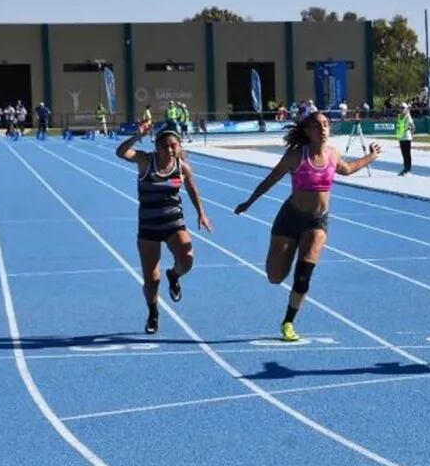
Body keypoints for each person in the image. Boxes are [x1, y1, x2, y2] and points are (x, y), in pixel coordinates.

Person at [234, 112, 382, 342]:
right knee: (275, 276)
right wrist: (249, 202)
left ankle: (288, 322)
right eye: (317, 125)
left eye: (325, 125)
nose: (323, 129)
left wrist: (371, 156)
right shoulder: (296, 156)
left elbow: (348, 169)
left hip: (317, 222)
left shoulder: (333, 155)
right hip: (290, 218)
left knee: (303, 276)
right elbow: (271, 179)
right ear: (307, 131)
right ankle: (288, 254)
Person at [115, 122, 213, 334]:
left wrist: (201, 213)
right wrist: (136, 136)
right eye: (165, 146)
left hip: (173, 222)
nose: (170, 150)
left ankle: (175, 275)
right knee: (152, 279)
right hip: (149, 226)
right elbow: (120, 152)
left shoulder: (182, 167)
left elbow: (192, 190)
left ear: (179, 147)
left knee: (187, 259)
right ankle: (153, 312)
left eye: (174, 146)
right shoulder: (145, 161)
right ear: (157, 146)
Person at [395, 102, 415, 176]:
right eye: (401, 108)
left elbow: (413, 126)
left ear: (406, 109)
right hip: (401, 137)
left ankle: (408, 169)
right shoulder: (399, 116)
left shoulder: (408, 116)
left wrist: (412, 135)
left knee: (407, 154)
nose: (401, 109)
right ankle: (405, 168)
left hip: (407, 137)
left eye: (403, 108)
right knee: (403, 154)